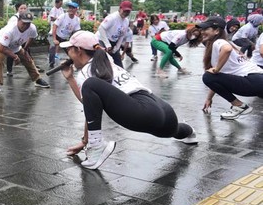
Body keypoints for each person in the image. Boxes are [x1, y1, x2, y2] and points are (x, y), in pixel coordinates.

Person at [59, 31, 196, 170]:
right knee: (174, 131)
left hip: (141, 111)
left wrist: (71, 79)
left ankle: (97, 147)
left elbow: (87, 103)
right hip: (163, 110)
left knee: (90, 84)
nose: (67, 55)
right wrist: (85, 141)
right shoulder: (106, 60)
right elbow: (92, 108)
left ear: (79, 50)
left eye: (68, 50)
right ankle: (191, 132)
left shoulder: (86, 73)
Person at [199, 16, 263, 120]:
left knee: (207, 76)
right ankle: (238, 106)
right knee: (211, 76)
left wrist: (216, 69)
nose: (202, 32)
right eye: (201, 29)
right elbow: (217, 80)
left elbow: (226, 49)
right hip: (258, 80)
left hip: (253, 81)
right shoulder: (224, 43)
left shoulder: (219, 42)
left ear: (216, 31)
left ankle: (239, 106)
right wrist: (209, 98)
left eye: (206, 29)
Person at [0, 11, 50, 94]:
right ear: (18, 20)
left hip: (15, 45)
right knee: (0, 58)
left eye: (28, 24)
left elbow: (32, 37)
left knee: (27, 59)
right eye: (23, 23)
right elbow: (2, 48)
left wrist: (25, 50)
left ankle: (37, 79)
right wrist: (14, 56)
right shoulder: (10, 30)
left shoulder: (32, 28)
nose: (25, 26)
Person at [97, 0, 132, 68]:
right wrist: (107, 44)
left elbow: (122, 36)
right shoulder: (112, 17)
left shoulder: (126, 21)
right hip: (102, 39)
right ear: (120, 9)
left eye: (128, 11)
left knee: (119, 66)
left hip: (113, 41)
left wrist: (117, 47)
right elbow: (101, 28)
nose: (126, 13)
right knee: (103, 61)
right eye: (124, 11)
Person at [5, 2, 27, 77]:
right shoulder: (14, 18)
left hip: (21, 38)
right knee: (11, 54)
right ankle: (9, 70)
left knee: (27, 52)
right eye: (21, 8)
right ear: (18, 9)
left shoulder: (26, 17)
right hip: (13, 39)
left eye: (25, 8)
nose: (23, 10)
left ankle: (31, 67)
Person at [47, 0, 65, 68]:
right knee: (52, 44)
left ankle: (56, 54)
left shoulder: (61, 9)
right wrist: (59, 19)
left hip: (60, 30)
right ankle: (51, 58)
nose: (61, 5)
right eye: (60, 3)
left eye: (62, 3)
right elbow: (51, 18)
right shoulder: (53, 9)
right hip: (53, 29)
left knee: (58, 43)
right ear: (57, 3)